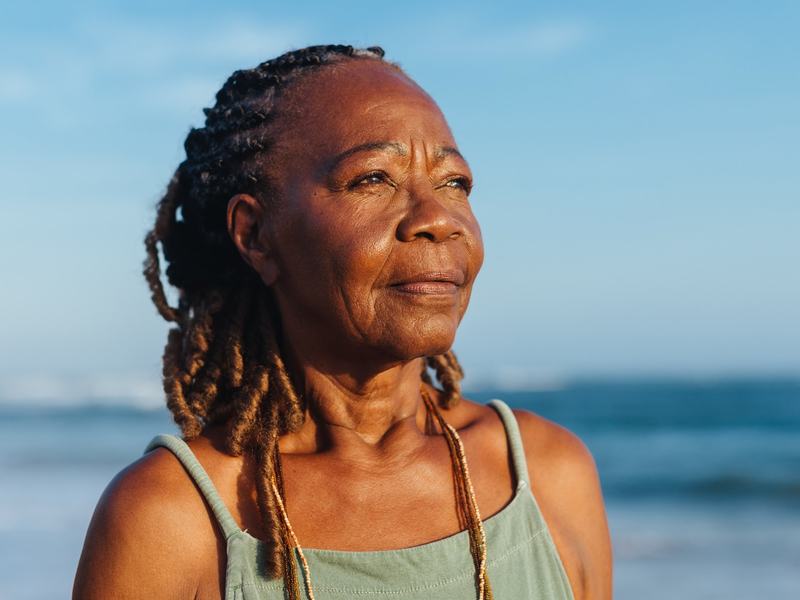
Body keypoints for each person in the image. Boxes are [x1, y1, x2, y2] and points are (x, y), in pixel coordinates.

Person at [72, 44, 612, 600]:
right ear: (256, 235)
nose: (437, 220)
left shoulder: (549, 475)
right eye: (372, 179)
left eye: (454, 183)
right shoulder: (173, 518)